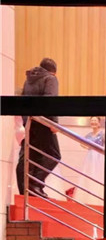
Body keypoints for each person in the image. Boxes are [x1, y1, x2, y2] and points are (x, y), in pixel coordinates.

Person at [16, 57, 60, 198]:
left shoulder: (28, 80)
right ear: (53, 72)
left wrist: (26, 122)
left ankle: (28, 187)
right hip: (43, 123)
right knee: (53, 155)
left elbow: (23, 103)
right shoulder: (50, 79)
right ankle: (35, 184)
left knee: (31, 156)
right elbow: (50, 102)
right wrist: (54, 123)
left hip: (30, 123)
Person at [76, 116, 105, 206]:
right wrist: (88, 148)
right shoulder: (88, 135)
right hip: (90, 156)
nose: (93, 122)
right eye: (92, 120)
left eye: (95, 120)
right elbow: (82, 143)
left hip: (99, 156)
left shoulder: (102, 133)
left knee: (98, 174)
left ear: (99, 123)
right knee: (89, 173)